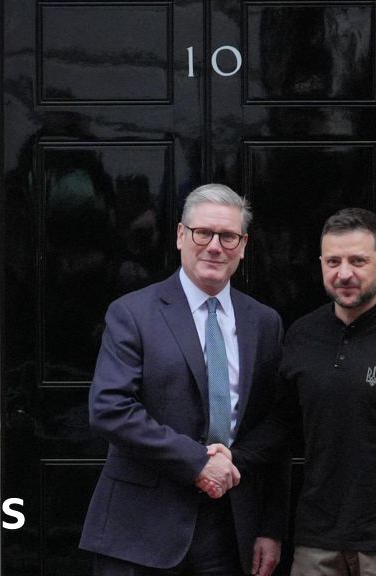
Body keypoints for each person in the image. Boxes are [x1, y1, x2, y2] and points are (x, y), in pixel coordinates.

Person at [226, 207, 376, 576]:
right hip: (315, 542)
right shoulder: (302, 336)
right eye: (333, 261)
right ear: (321, 264)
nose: (344, 273)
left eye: (358, 261)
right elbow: (283, 426)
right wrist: (231, 459)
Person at [80, 184, 289, 576]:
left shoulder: (264, 323)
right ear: (180, 236)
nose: (214, 246)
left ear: (243, 245)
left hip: (229, 532)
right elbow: (110, 409)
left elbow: (275, 428)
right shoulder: (133, 313)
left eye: (228, 236)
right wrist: (197, 462)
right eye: (202, 233)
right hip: (139, 531)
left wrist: (271, 528)